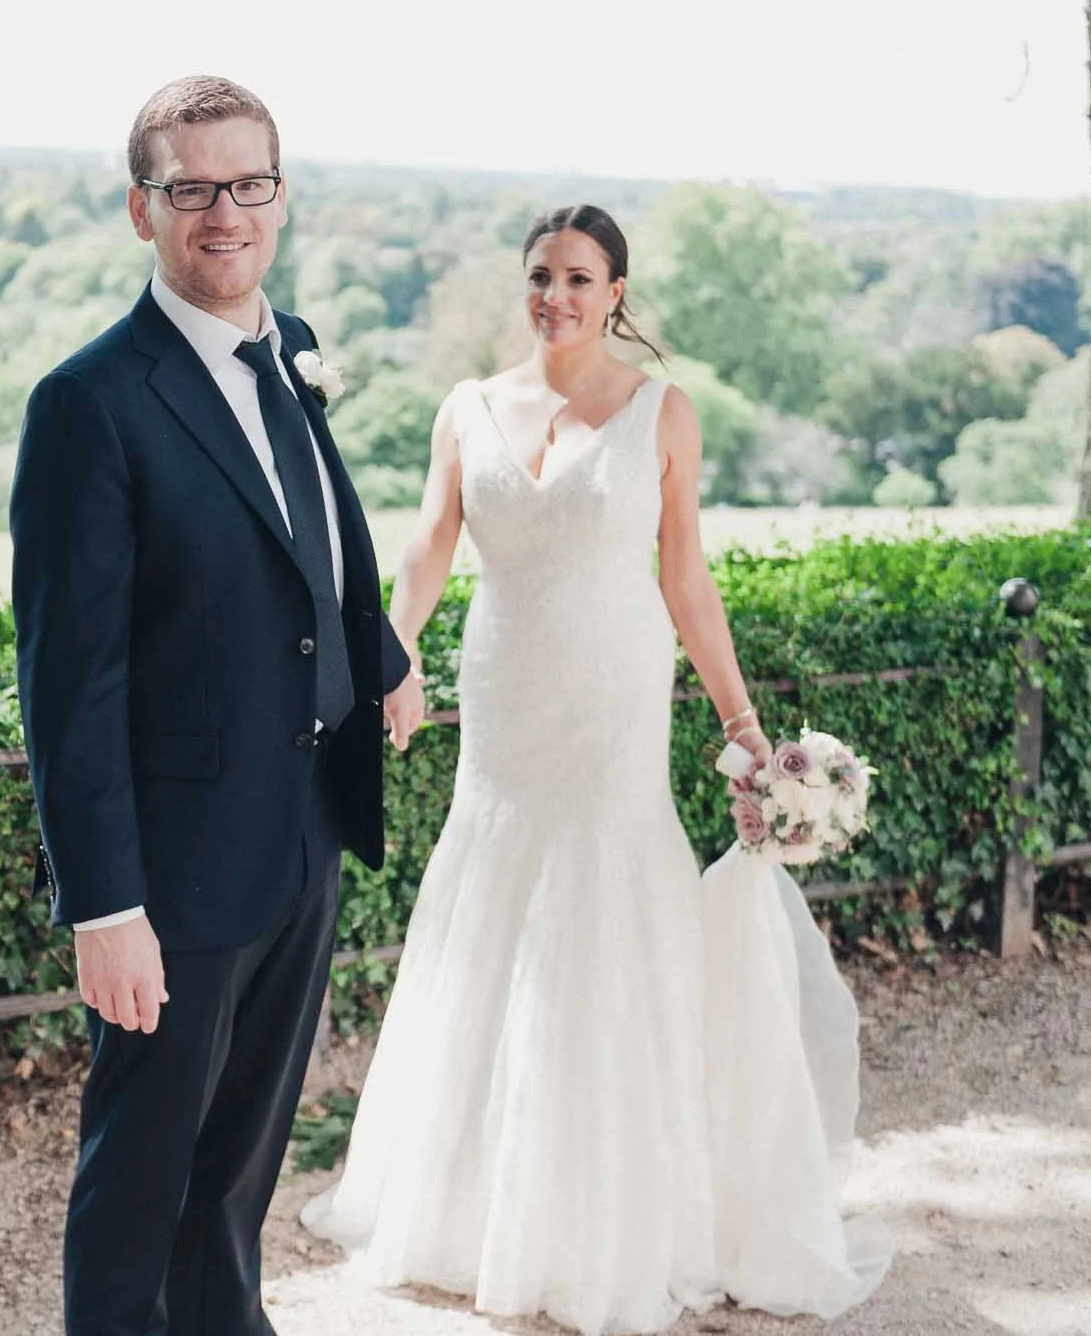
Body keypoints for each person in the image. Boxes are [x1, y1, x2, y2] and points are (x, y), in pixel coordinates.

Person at [299, 204, 891, 1334]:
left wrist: (743, 721)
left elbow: (685, 574)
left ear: (615, 289)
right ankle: (475, 1206)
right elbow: (429, 541)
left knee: (607, 909)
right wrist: (395, 653)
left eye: (578, 278)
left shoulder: (662, 413)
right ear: (519, 285)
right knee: (493, 897)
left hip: (613, 699)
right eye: (538, 276)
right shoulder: (467, 406)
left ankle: (616, 1213)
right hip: (504, 702)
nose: (554, 297)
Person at [9, 74, 422, 1336]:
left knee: (238, 1170)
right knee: (140, 1177)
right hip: (172, 869)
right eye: (191, 189)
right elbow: (66, 685)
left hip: (300, 830)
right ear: (143, 210)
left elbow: (318, 528)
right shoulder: (89, 404)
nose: (223, 213)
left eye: (248, 185)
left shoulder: (285, 346)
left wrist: (376, 651)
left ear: (280, 198)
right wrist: (105, 906)